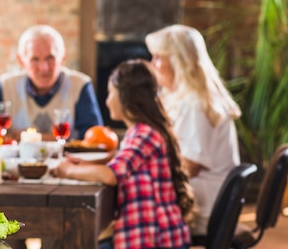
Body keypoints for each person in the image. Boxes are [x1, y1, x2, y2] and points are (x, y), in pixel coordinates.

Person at [51, 59, 194, 249]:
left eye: (111, 94)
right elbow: (123, 160)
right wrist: (86, 165)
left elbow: (112, 175)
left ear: (125, 98)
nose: (107, 101)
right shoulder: (140, 132)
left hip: (155, 239)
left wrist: (65, 171)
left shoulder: (144, 133)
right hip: (147, 235)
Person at [145, 24, 241, 235]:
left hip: (207, 207)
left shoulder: (195, 104)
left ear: (179, 61)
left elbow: (191, 165)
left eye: (158, 57)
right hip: (208, 198)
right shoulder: (185, 98)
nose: (153, 65)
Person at [0, 24, 103, 140]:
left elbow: (94, 138)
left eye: (50, 58)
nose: (44, 68)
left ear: (63, 57)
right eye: (35, 59)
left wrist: (37, 137)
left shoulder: (80, 85)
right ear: (22, 61)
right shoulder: (5, 86)